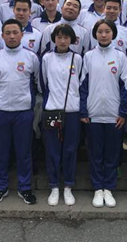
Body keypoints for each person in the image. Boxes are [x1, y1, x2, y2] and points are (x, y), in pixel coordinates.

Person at [80, 19, 127, 208]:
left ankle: (108, 188)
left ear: (113, 34)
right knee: (95, 154)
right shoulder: (88, 57)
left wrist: (123, 113)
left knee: (112, 153)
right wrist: (84, 111)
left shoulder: (120, 57)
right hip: (93, 114)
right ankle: (97, 188)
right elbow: (82, 86)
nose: (103, 35)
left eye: (107, 31)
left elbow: (126, 87)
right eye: (100, 31)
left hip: (114, 115)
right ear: (95, 34)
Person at [0, 19, 40, 205]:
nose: (11, 36)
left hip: (23, 112)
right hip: (0, 111)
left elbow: (37, 83)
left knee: (24, 152)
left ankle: (25, 187)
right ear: (2, 36)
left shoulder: (31, 57)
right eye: (7, 33)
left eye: (15, 32)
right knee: (0, 152)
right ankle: (0, 187)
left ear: (22, 35)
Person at [40, 24, 85, 206]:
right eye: (59, 37)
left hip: (72, 111)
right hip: (52, 110)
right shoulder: (46, 58)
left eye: (66, 37)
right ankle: (53, 186)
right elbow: (43, 83)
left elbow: (80, 83)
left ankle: (68, 186)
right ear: (54, 39)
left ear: (72, 40)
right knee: (52, 150)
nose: (62, 41)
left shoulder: (77, 58)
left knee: (70, 149)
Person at [103, 0, 127, 64]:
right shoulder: (95, 29)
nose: (112, 11)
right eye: (108, 8)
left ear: (120, 10)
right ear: (104, 8)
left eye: (115, 8)